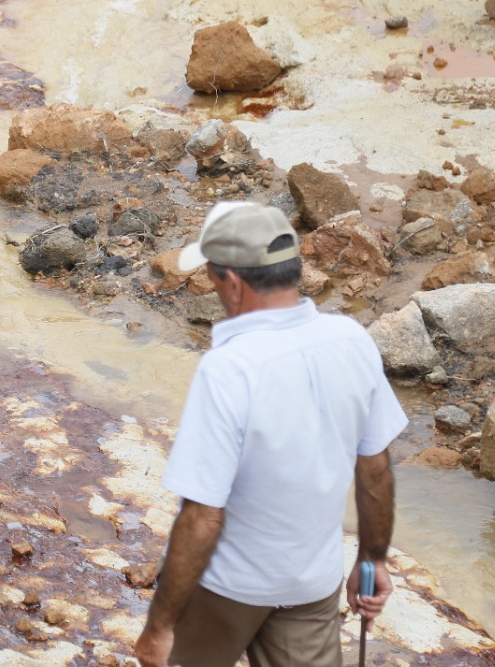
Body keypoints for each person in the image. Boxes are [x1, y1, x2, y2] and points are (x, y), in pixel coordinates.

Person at [134, 201, 409, 667]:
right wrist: (371, 561)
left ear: (234, 284)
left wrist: (158, 629)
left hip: (229, 588)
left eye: (214, 279)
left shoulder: (229, 368)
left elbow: (203, 516)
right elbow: (375, 469)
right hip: (311, 585)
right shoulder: (352, 340)